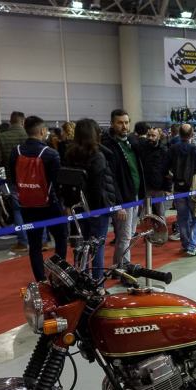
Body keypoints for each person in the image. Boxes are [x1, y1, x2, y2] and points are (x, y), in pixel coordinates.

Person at [9, 115, 68, 281]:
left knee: (34, 245)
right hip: (50, 204)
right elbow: (58, 182)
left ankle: (40, 279)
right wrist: (63, 204)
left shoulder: (16, 152)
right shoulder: (50, 154)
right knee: (61, 238)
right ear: (42, 131)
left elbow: (12, 177)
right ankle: (57, 275)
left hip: (27, 204)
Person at [63, 119, 118, 279]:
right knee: (97, 247)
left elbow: (66, 182)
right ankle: (97, 282)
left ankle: (83, 278)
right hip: (97, 208)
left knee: (82, 245)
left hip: (77, 205)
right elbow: (97, 185)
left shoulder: (70, 154)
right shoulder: (98, 155)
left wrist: (68, 204)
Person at [102, 109, 144, 267]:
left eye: (126, 122)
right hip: (123, 199)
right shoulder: (108, 146)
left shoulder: (132, 142)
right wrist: (118, 204)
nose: (124, 126)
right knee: (124, 236)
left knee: (129, 234)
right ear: (112, 124)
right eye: (120, 123)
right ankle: (124, 269)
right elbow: (110, 179)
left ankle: (119, 266)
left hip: (135, 195)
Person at [164, 124, 196, 256]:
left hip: (179, 189)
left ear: (179, 134)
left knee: (182, 218)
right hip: (195, 188)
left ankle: (185, 245)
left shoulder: (172, 149)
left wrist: (172, 178)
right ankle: (192, 246)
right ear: (192, 134)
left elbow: (164, 168)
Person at [0, 111, 29, 253]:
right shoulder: (28, 136)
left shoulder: (2, 137)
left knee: (18, 210)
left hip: (13, 178)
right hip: (32, 178)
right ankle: (43, 241)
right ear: (22, 121)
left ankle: (23, 242)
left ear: (11, 121)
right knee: (36, 208)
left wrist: (7, 164)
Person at [138, 123, 169, 218]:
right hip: (145, 187)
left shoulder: (164, 150)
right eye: (149, 135)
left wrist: (167, 188)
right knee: (144, 215)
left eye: (153, 135)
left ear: (158, 137)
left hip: (158, 187)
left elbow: (168, 170)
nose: (150, 138)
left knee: (160, 213)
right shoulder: (143, 148)